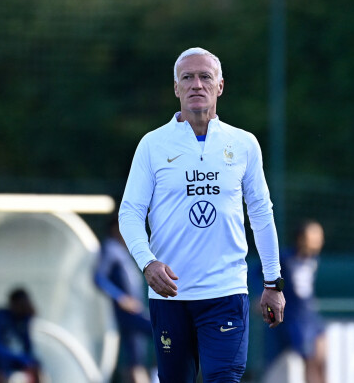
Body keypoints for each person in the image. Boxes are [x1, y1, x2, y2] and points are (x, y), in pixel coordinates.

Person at [118, 47, 285, 383]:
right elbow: (130, 212)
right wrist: (147, 263)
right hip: (171, 296)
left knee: (223, 378)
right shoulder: (152, 145)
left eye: (205, 77)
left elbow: (261, 214)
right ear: (176, 88)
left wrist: (272, 282)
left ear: (220, 86)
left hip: (226, 293)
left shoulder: (244, 144)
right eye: (187, 78)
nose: (197, 84)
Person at [94, 215, 153, 383]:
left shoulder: (122, 250)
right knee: (162, 331)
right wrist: (121, 298)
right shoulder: (110, 248)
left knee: (136, 359)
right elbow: (98, 278)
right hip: (128, 314)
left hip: (135, 310)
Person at [277, 219, 326, 383]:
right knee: (310, 361)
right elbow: (258, 273)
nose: (319, 241)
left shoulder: (314, 260)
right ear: (301, 238)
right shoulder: (285, 259)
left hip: (312, 316)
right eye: (314, 235)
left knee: (322, 360)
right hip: (295, 318)